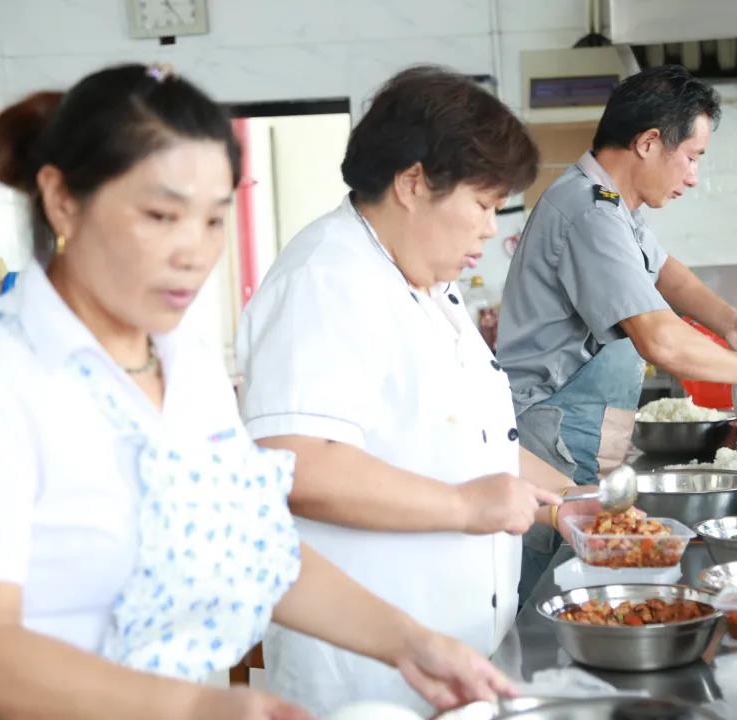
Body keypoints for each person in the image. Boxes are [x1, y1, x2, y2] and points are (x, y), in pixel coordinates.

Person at [0, 64, 516, 720]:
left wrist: (413, 644)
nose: (195, 251)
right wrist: (195, 708)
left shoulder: (184, 371)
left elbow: (260, 551)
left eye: (215, 220)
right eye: (162, 215)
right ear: (62, 200)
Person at [236, 66, 594, 716]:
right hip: (369, 680)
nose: (491, 229)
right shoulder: (327, 281)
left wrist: (578, 504)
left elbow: (479, 446)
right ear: (413, 183)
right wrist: (463, 507)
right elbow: (297, 466)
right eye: (483, 205)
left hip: (458, 659)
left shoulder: (427, 282)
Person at [495, 65, 737, 602]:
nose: (692, 176)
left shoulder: (614, 207)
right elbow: (660, 341)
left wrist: (730, 321)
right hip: (552, 432)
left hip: (582, 427)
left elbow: (666, 273)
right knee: (550, 591)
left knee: (586, 573)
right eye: (691, 157)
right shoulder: (589, 212)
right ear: (648, 143)